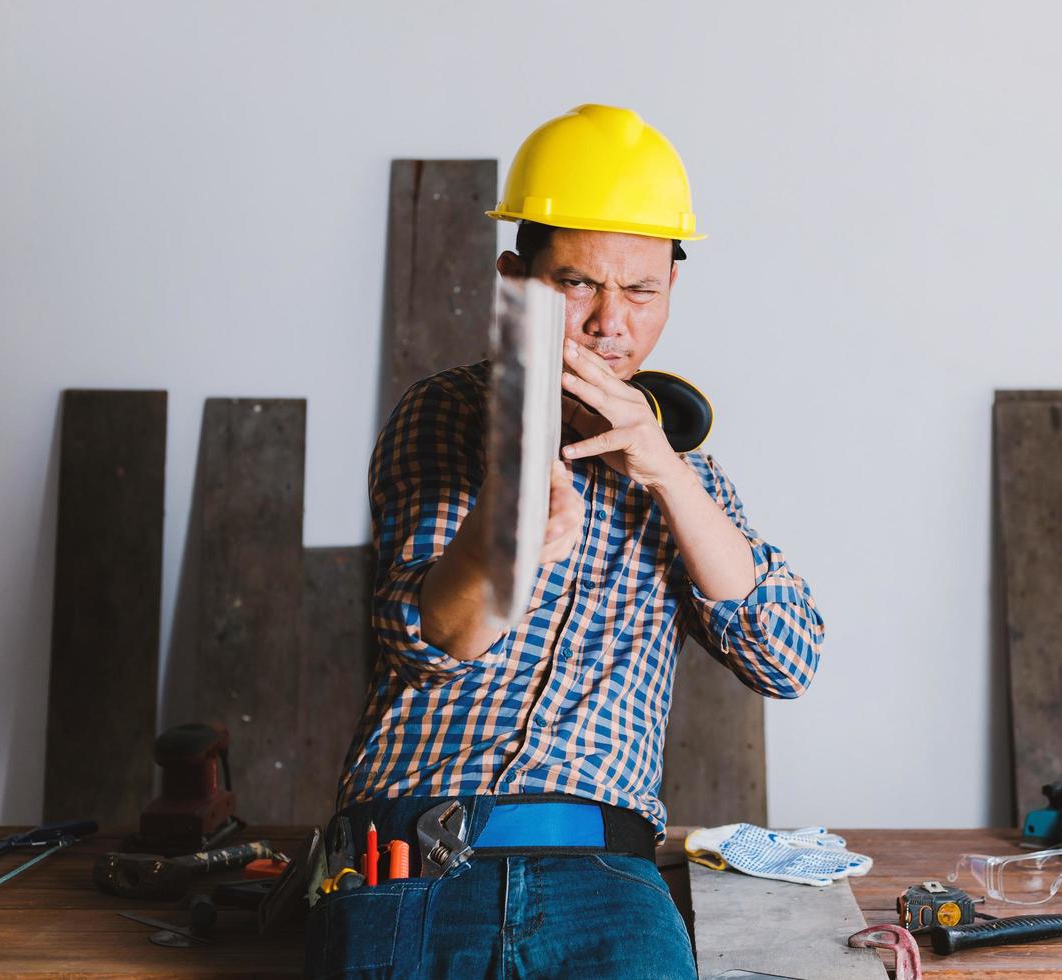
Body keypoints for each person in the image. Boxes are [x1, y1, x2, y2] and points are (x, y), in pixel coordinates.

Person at [312, 104, 824, 979]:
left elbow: (788, 658)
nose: (609, 324)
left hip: (606, 874)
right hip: (418, 853)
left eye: (641, 290)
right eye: (579, 284)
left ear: (671, 292)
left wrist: (666, 474)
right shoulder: (444, 415)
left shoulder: (689, 476)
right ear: (517, 280)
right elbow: (428, 644)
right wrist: (504, 538)